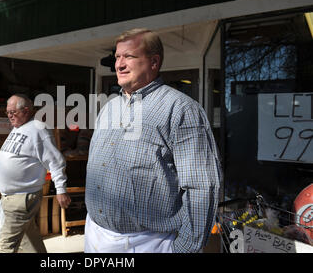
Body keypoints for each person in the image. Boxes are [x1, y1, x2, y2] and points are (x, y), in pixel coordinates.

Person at [85, 28, 222, 253]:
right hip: (95, 235)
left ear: (154, 62)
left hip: (146, 243)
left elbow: (202, 187)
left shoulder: (181, 109)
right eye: (117, 57)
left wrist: (185, 248)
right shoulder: (109, 108)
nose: (119, 64)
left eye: (129, 56)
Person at [0, 94, 71, 253]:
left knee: (6, 245)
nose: (9, 116)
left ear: (26, 110)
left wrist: (61, 190)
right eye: (7, 113)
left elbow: (55, 161)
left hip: (21, 198)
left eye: (13, 112)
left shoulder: (38, 129)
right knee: (30, 242)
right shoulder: (19, 127)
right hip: (13, 197)